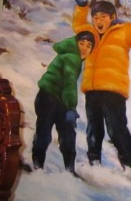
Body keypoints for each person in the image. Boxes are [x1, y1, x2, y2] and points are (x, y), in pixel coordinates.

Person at [70, 0, 131, 170]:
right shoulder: (91, 33)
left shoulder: (124, 31)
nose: (98, 21)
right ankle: (94, 163)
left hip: (113, 90)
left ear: (112, 18)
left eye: (103, 17)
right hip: (92, 89)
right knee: (94, 129)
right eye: (95, 17)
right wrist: (82, 6)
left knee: (116, 129)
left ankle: (128, 166)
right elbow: (77, 25)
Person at [32, 31, 96, 175]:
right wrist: (71, 107)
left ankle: (66, 170)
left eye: (88, 46)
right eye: (81, 44)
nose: (84, 48)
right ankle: (39, 167)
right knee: (45, 134)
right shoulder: (72, 58)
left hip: (58, 99)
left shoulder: (72, 56)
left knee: (67, 135)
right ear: (75, 43)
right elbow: (69, 82)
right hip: (48, 97)